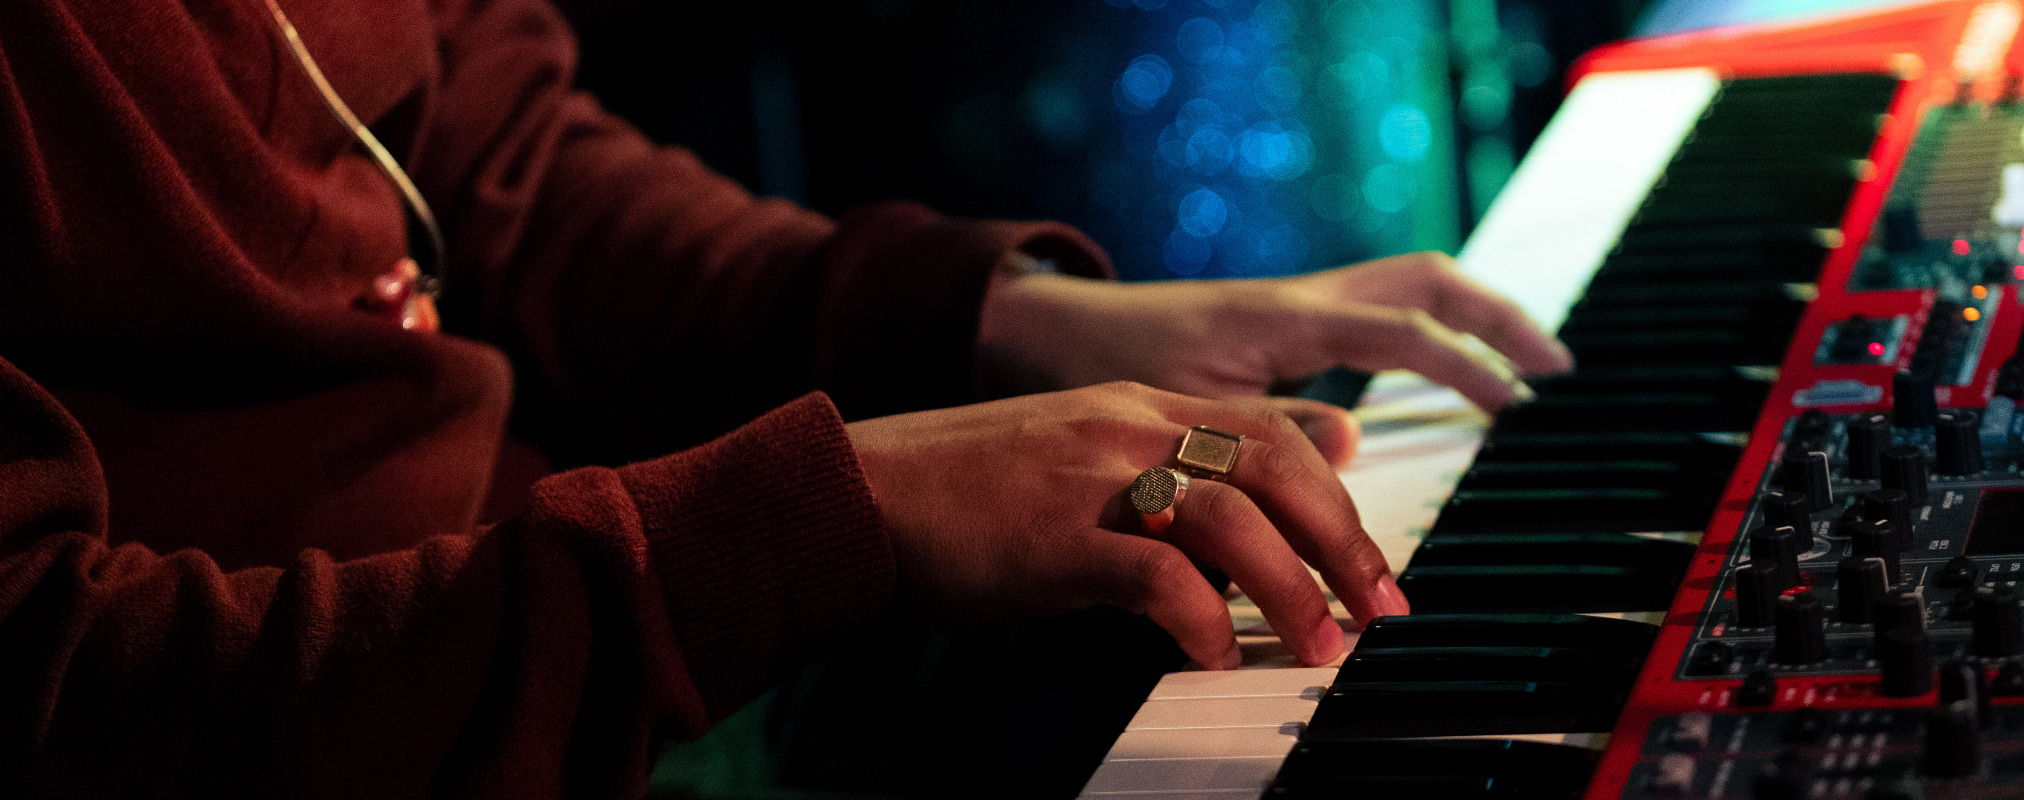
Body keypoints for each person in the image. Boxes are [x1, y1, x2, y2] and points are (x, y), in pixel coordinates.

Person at [0, 0, 1569, 796]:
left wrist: (1003, 320)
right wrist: (833, 515)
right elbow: (51, 683)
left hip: (567, 636)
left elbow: (502, 174)